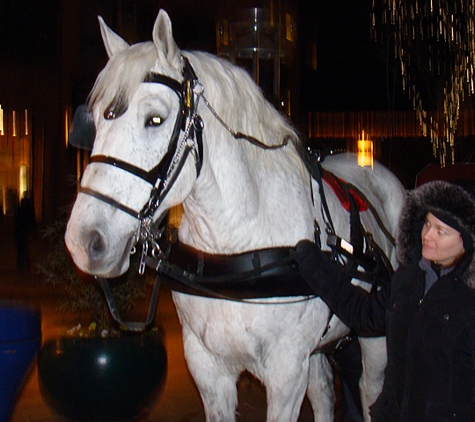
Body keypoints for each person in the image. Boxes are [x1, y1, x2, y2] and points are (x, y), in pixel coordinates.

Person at [294, 180, 475, 421]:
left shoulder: (469, 299)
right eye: (427, 224)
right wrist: (315, 266)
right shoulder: (409, 280)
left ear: (467, 241)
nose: (427, 236)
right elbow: (363, 314)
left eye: (441, 231)